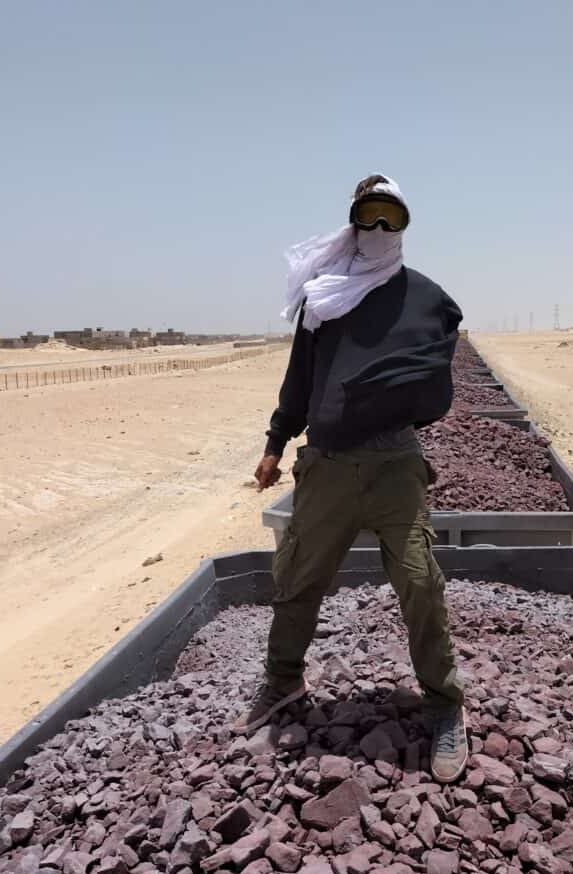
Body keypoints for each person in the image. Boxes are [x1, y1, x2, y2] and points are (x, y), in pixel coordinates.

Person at [234, 173, 468, 783]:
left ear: (405, 224)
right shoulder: (325, 298)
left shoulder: (429, 299)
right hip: (328, 465)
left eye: (392, 217)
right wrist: (275, 443)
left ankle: (446, 707)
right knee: (297, 579)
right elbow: (301, 380)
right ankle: (283, 682)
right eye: (370, 216)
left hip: (395, 467)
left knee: (420, 583)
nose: (380, 230)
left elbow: (435, 391)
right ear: (353, 223)